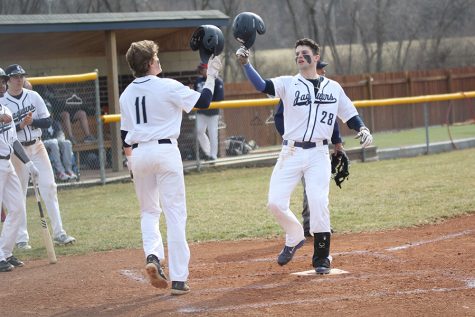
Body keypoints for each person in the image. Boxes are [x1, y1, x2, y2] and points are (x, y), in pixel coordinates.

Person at [236, 38, 373, 274]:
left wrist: (362, 128)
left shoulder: (333, 88)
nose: (299, 56)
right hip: (290, 151)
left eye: (304, 53)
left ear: (316, 57)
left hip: (319, 152)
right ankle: (295, 235)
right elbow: (262, 85)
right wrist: (246, 64)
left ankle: (322, 256)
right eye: (297, 53)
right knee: (275, 203)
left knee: (319, 201)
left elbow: (349, 113)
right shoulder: (288, 83)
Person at [120, 40, 221, 295]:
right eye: (156, 56)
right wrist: (212, 75)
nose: (158, 60)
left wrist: (131, 162)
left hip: (139, 153)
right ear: (150, 63)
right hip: (165, 151)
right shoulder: (167, 86)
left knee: (149, 212)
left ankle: (153, 255)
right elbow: (205, 102)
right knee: (175, 214)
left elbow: (124, 134)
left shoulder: (126, 94)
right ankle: (178, 279)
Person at [1, 64, 76, 249]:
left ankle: (59, 232)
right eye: (15, 76)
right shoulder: (4, 102)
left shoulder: (33, 96)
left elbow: (48, 120)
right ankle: (21, 238)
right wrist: (21, 124)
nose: (19, 79)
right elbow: (8, 131)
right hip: (17, 151)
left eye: (21, 76)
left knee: (49, 187)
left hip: (38, 146)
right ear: (8, 80)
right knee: (18, 194)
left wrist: (31, 121)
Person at [274, 60, 338, 237]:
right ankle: (308, 225)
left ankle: (317, 226)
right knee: (283, 197)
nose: (323, 71)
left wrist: (337, 142)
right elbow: (279, 116)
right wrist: (290, 137)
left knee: (316, 190)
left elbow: (331, 119)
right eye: (320, 68)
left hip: (318, 149)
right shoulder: (294, 89)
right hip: (295, 150)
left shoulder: (326, 90)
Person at [0, 101, 40, 272]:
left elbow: (14, 141)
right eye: (0, 81)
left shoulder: (5, 108)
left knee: (17, 208)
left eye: (3, 81)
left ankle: (6, 252)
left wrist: (29, 162)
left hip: (7, 164)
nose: (2, 85)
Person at [193, 63, 224, 161]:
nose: (201, 71)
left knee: (213, 133)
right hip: (201, 112)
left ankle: (213, 156)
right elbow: (195, 93)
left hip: (213, 112)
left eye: (203, 69)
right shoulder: (198, 80)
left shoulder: (217, 81)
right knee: (199, 131)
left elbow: (219, 98)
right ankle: (207, 152)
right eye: (201, 69)